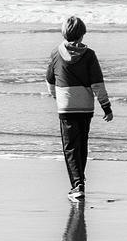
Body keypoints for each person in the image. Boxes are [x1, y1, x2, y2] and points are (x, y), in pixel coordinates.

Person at [46, 16, 113, 201]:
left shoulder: (56, 54)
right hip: (85, 107)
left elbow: (50, 80)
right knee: (82, 145)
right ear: (82, 35)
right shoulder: (89, 55)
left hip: (66, 107)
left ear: (64, 33)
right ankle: (80, 182)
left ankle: (77, 185)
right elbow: (97, 83)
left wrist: (56, 97)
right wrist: (106, 106)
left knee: (70, 147)